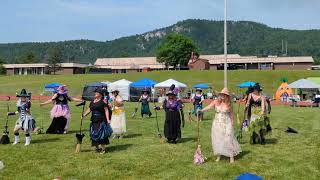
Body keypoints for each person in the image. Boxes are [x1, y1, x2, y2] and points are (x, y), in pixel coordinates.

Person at [199, 87, 241, 163]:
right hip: (217, 123)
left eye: (224, 95)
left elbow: (231, 115)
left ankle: (231, 156)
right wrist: (201, 110)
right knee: (218, 139)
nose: (222, 96)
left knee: (228, 139)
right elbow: (209, 107)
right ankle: (219, 156)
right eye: (221, 94)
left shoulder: (229, 104)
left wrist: (232, 124)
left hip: (227, 122)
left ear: (227, 96)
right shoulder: (216, 102)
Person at [83, 88, 112, 154]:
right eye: (95, 92)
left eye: (97, 92)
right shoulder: (92, 102)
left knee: (101, 134)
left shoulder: (103, 102)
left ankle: (103, 149)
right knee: (93, 133)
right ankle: (97, 147)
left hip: (101, 120)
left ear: (100, 95)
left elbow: (106, 110)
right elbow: (89, 109)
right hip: (94, 120)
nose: (95, 93)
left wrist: (108, 120)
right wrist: (84, 115)